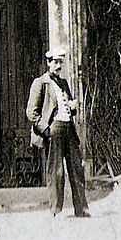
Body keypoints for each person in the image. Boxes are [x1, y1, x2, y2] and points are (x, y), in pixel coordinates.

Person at [26, 47, 90, 218]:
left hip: (68, 128)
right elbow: (31, 112)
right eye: (55, 62)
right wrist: (47, 130)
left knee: (76, 168)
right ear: (48, 63)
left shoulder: (64, 83)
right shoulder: (40, 83)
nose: (58, 65)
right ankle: (56, 210)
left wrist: (73, 107)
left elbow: (67, 105)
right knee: (56, 171)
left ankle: (81, 208)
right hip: (53, 129)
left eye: (60, 62)